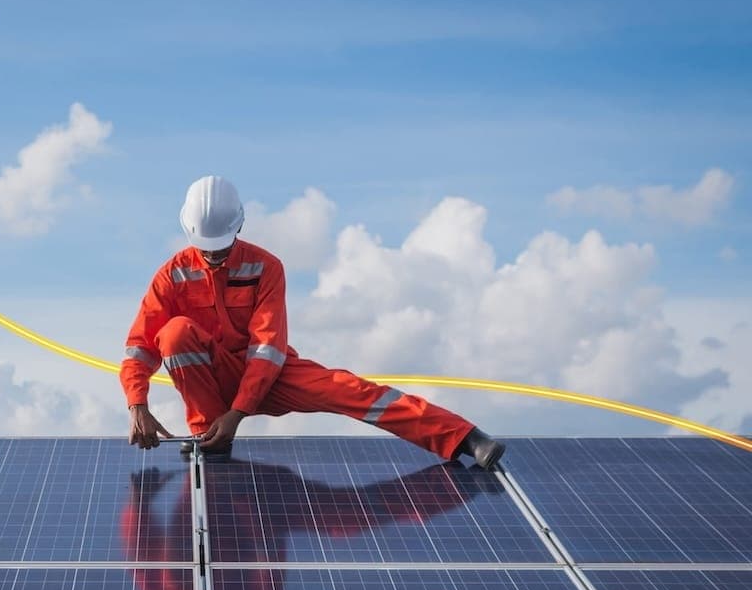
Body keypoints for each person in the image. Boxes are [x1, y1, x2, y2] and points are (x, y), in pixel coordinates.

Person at [121, 175, 506, 469]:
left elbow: (267, 348)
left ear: (239, 226)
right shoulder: (171, 275)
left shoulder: (265, 267)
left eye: (221, 248)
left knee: (353, 391)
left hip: (268, 375)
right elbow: (141, 343)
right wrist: (137, 403)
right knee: (173, 334)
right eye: (207, 249)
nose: (215, 257)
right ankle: (209, 437)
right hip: (213, 376)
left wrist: (238, 411)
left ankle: (463, 437)